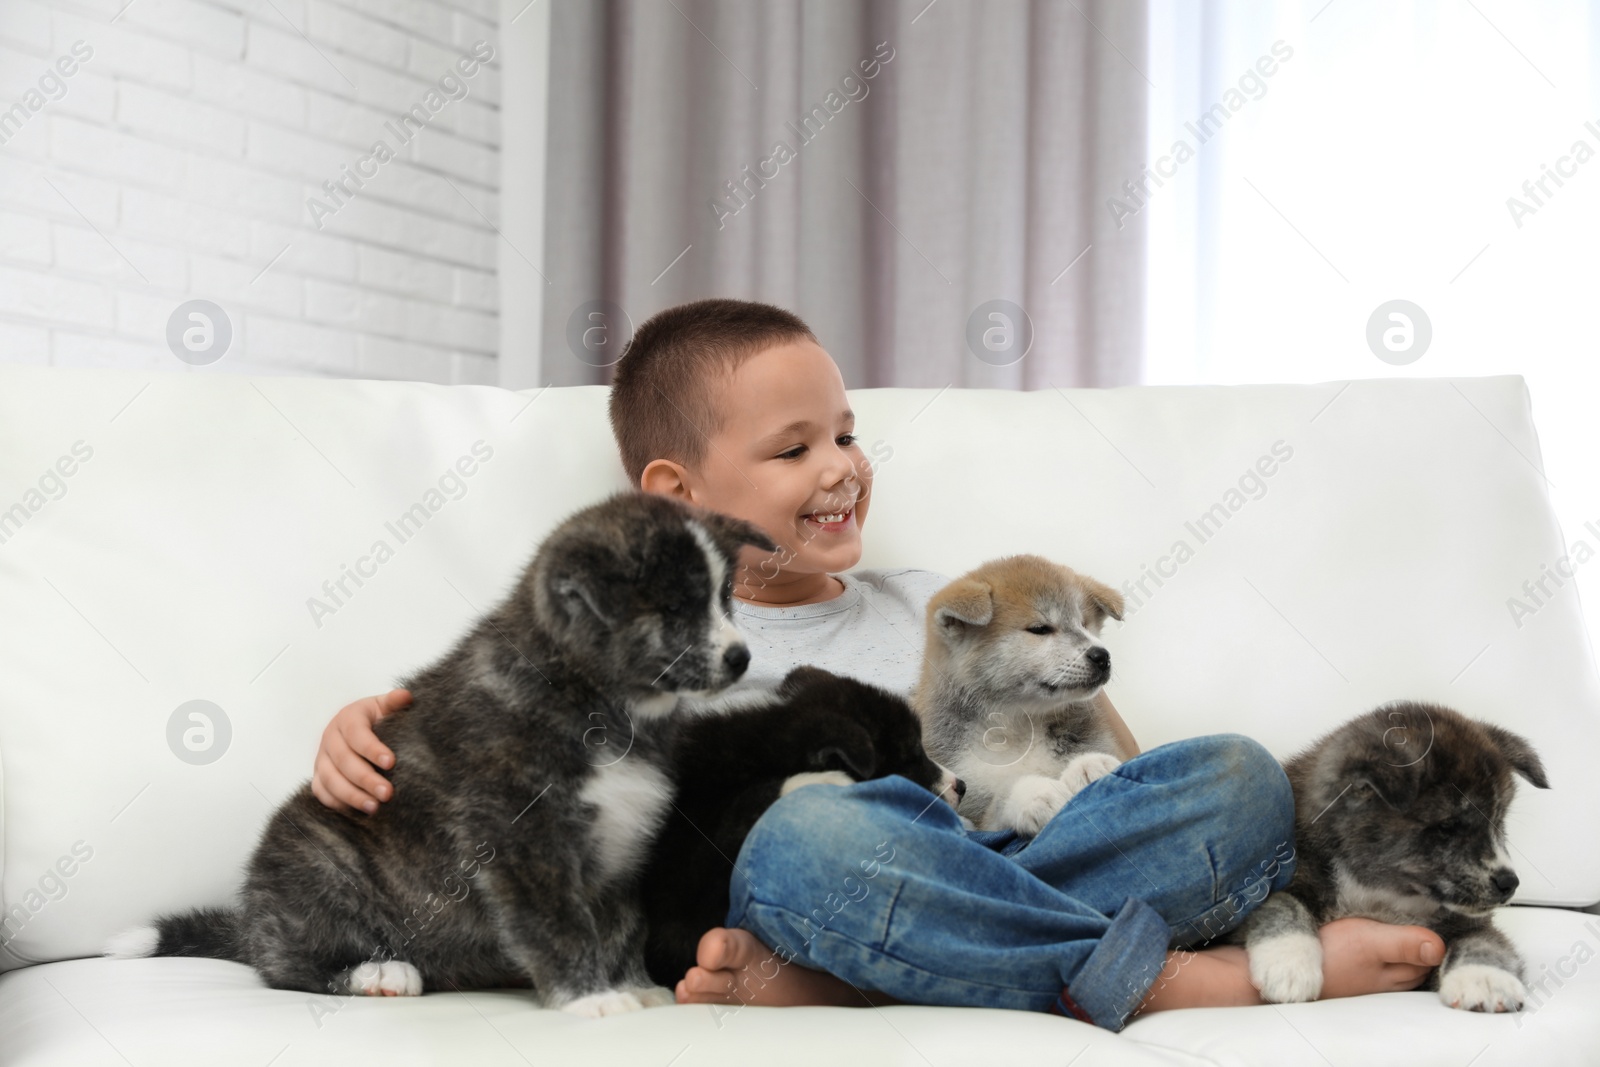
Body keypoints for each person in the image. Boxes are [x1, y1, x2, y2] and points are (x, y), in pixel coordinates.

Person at [309, 299, 1446, 1030]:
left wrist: (1112, 773)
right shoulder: (627, 648)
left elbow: (1116, 766)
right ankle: (1172, 979)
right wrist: (367, 727)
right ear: (677, 499)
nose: (842, 466)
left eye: (846, 433)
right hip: (823, 875)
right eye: (794, 448)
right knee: (817, 827)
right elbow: (493, 745)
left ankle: (871, 974)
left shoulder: (940, 606)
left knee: (1242, 776)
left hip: (996, 854)